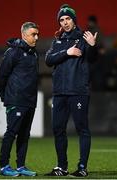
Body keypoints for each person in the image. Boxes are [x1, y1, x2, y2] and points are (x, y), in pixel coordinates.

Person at [45, 4, 97, 177]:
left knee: (82, 128)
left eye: (68, 18)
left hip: (78, 91)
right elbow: (48, 59)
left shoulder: (83, 38)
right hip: (59, 92)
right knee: (58, 129)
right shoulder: (57, 40)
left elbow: (93, 59)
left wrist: (92, 46)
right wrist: (67, 52)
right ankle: (62, 167)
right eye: (62, 19)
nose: (65, 22)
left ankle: (82, 167)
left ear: (74, 20)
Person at [0, 22, 39, 177]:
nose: (36, 37)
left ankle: (21, 166)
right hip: (15, 99)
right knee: (11, 132)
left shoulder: (34, 53)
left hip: (30, 100)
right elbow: (2, 76)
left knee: (24, 134)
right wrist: (5, 97)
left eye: (37, 34)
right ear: (24, 35)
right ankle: (4, 166)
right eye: (33, 34)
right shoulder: (12, 52)